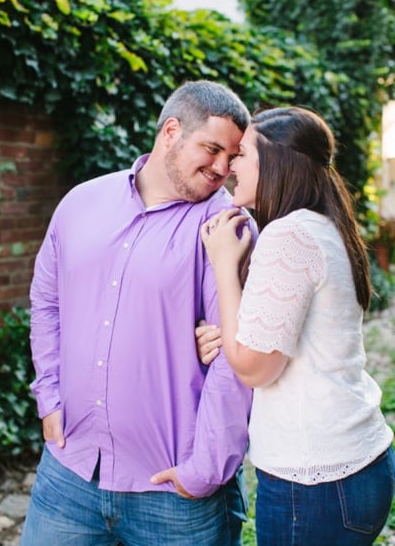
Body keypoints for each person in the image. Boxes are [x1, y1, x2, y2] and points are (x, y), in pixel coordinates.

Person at [22, 80, 254, 545]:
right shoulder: (80, 203)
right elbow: (47, 304)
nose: (222, 169)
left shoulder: (226, 227)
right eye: (212, 149)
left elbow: (235, 357)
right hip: (70, 471)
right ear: (171, 131)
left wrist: (205, 470)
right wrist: (48, 397)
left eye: (232, 157)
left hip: (175, 492)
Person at [199, 106, 395, 545]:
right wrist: (229, 335)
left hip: (315, 483)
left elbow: (254, 368)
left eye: (242, 154)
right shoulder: (323, 225)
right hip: (354, 464)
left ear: (277, 159)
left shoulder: (289, 236)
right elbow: (284, 337)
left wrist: (224, 266)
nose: (230, 165)